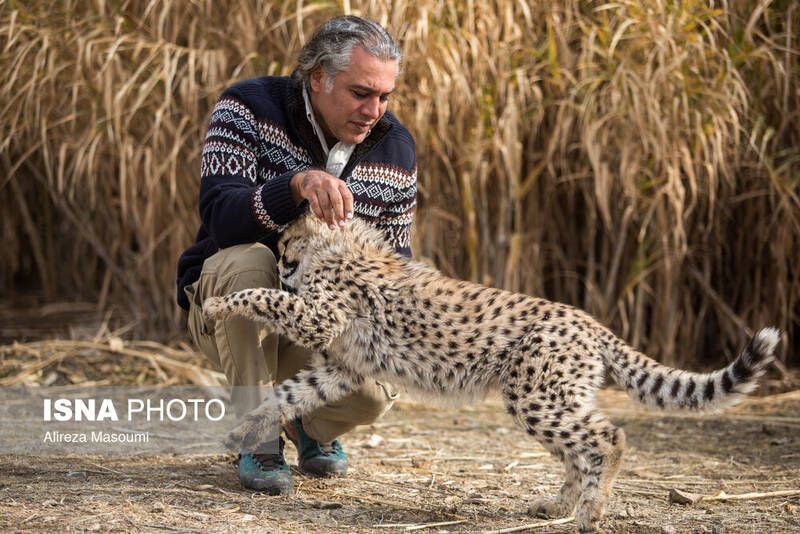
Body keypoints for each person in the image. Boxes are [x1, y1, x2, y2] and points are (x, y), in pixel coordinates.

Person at [175, 16, 417, 494]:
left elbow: (396, 262)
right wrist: (296, 186)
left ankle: (306, 426)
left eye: (384, 96)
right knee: (248, 261)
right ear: (319, 77)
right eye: (360, 92)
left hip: (321, 323)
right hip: (233, 310)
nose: (374, 110)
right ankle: (258, 436)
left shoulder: (395, 146)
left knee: (375, 392)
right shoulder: (246, 106)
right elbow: (221, 218)